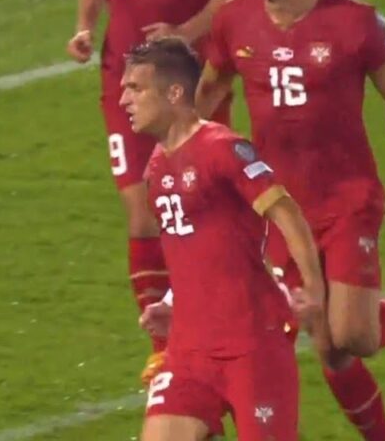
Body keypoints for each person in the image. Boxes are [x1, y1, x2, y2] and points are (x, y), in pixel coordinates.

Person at [194, 0, 385, 441]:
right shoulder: (234, 20)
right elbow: (212, 89)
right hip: (280, 209)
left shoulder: (355, 24)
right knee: (324, 343)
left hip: (346, 199)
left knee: (352, 335)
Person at [70, 0, 243, 383]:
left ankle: (235, 316)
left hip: (186, 83)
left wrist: (187, 32)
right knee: (142, 211)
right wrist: (84, 26)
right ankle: (164, 345)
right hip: (123, 83)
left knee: (205, 207)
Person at [119, 37, 325, 441]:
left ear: (175, 92)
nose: (124, 99)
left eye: (136, 88)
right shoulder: (157, 167)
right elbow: (194, 250)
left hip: (253, 346)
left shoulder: (222, 149)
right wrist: (170, 304)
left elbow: (285, 211)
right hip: (189, 351)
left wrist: (314, 285)